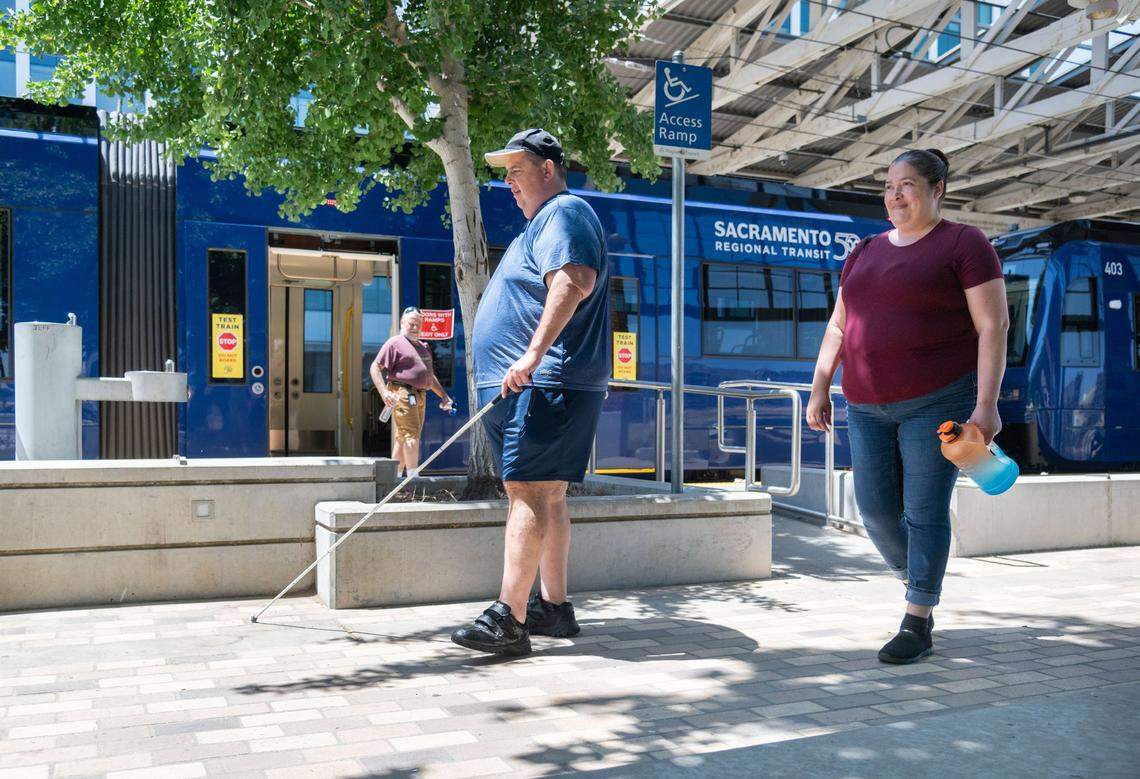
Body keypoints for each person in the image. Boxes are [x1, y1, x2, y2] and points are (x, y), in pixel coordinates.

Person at [806, 148, 1008, 665]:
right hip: (866, 404)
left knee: (923, 510)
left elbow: (993, 326)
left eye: (908, 185)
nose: (895, 195)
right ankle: (919, 580)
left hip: (938, 400)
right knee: (873, 509)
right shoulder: (865, 250)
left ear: (937, 188)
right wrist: (820, 385)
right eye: (890, 186)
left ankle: (917, 618)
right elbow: (838, 325)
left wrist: (987, 406)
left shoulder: (965, 243)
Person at [450, 128, 609, 656]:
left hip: (546, 381)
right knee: (548, 495)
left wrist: (533, 354)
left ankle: (508, 619)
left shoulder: (565, 212)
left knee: (531, 493)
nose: (509, 184)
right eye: (506, 175)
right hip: (529, 385)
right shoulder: (541, 223)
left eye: (516, 171)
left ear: (547, 168)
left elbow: (574, 280)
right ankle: (553, 607)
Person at [370, 307, 454, 477]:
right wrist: (383, 392)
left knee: (403, 437)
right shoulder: (395, 343)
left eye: (418, 324)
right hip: (402, 392)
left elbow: (429, 376)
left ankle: (393, 478)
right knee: (411, 436)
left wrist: (444, 396)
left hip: (420, 395)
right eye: (411, 324)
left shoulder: (424, 346)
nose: (415, 327)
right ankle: (413, 481)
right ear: (402, 323)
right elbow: (375, 367)